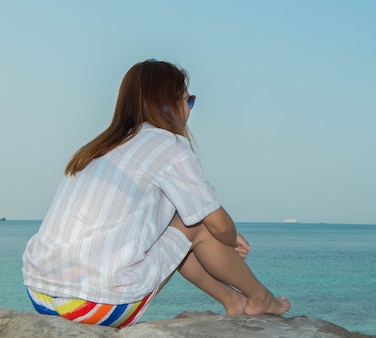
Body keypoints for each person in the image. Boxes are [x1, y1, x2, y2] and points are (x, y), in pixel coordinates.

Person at [22, 59, 290, 327]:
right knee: (195, 223)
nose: (189, 108)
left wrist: (219, 231)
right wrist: (229, 238)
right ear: (168, 103)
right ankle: (260, 297)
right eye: (188, 100)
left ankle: (234, 302)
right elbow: (217, 223)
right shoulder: (168, 145)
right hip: (93, 306)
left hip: (39, 293)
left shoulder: (98, 148)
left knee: (187, 221)